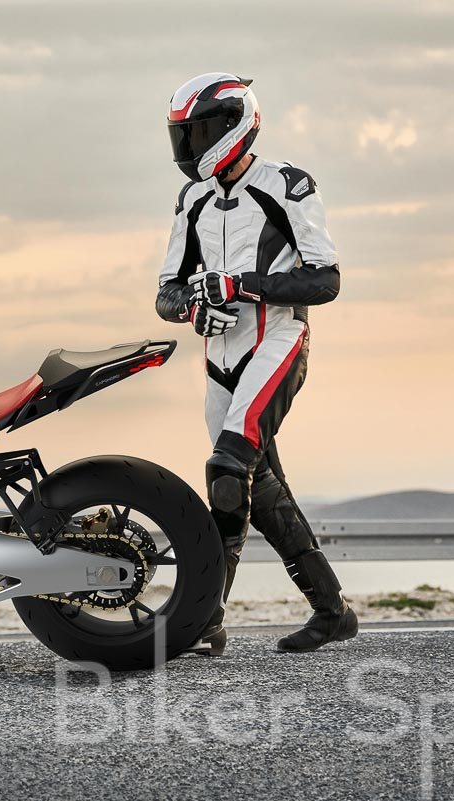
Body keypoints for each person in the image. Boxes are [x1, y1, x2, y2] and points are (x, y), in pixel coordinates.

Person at [156, 72, 357, 654]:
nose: (189, 146)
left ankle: (204, 618)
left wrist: (240, 285)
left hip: (279, 342)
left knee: (227, 470)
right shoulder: (191, 200)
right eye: (183, 134)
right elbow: (167, 294)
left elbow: (325, 280)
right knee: (253, 487)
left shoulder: (286, 185)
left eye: (198, 132)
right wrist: (195, 306)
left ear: (234, 125)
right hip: (218, 358)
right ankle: (332, 612)